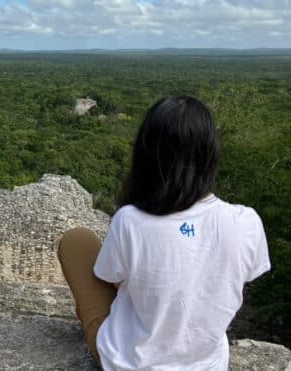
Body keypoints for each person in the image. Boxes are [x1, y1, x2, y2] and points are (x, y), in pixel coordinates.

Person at [57, 96, 271, 370]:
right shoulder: (246, 222)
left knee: (77, 241)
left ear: (146, 154)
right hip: (207, 363)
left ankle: (94, 322)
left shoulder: (130, 221)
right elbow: (236, 280)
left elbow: (112, 281)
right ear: (210, 155)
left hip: (131, 361)